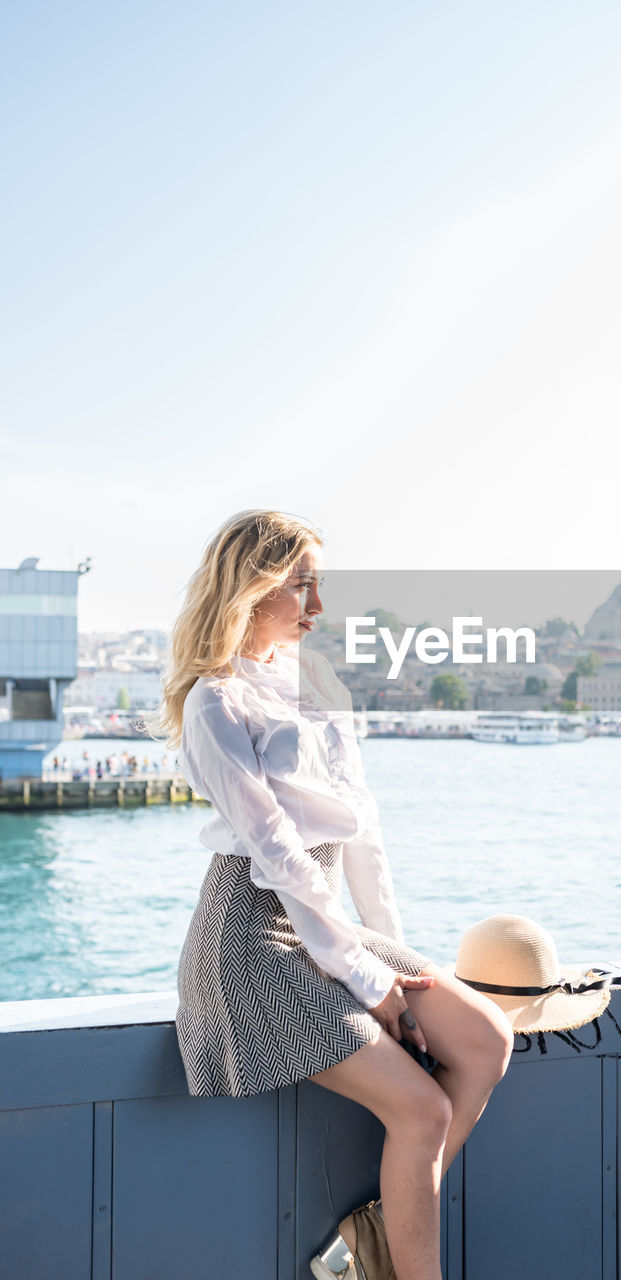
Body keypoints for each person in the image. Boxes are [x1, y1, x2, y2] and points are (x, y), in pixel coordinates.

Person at [153, 510, 513, 1280]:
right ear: (251, 586)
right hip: (250, 938)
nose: (316, 606)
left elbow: (362, 829)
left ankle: (375, 1235)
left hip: (322, 923)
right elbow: (277, 850)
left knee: (485, 1041)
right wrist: (371, 979)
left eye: (318, 585)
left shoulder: (316, 680)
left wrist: (395, 953)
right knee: (423, 1110)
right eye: (300, 585)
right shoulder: (213, 702)